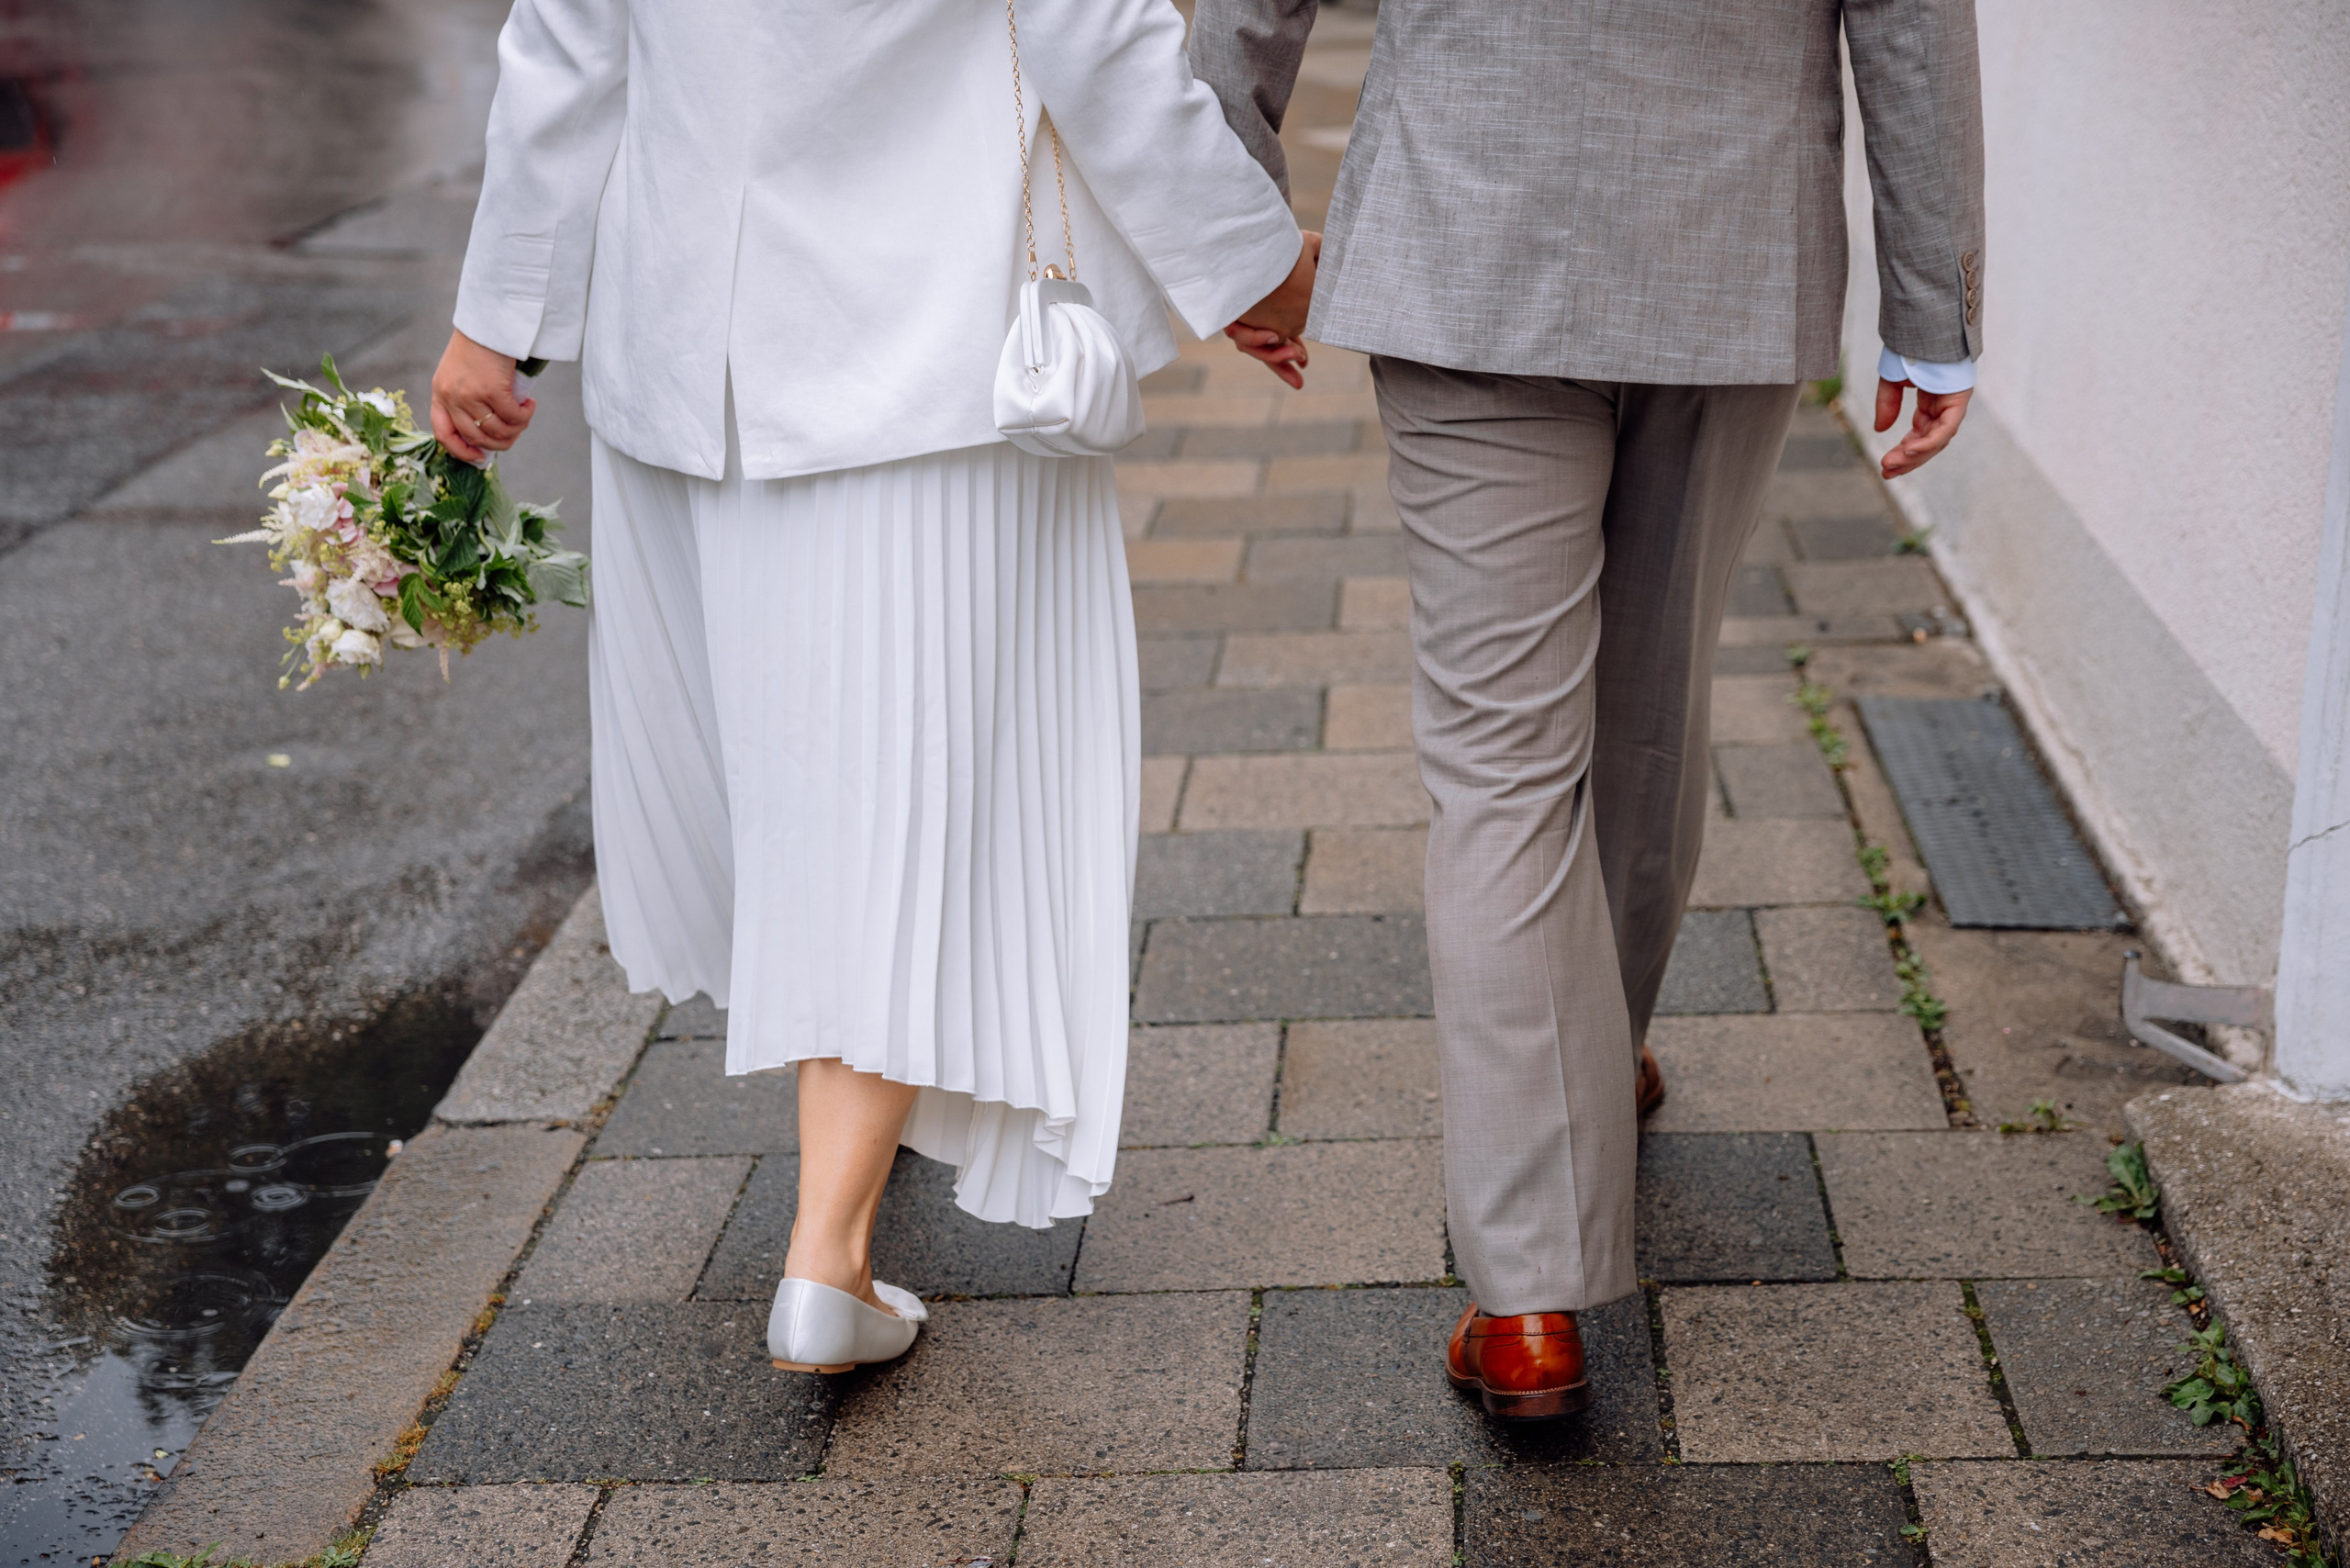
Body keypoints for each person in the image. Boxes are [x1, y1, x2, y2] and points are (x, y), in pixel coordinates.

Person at [432, 0, 1315, 1372]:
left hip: (692, 355)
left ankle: (848, 1177)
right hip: (922, 351)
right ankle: (826, 1261)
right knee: (901, 793)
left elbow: (567, 45)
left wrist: (494, 323)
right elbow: (1091, 32)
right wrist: (1250, 266)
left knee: (799, 787)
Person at [1195, 0, 1984, 1418]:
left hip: (1468, 221)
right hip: (1725, 235)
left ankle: (1528, 1301)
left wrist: (1230, 230)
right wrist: (1933, 303)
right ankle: (1594, 1068)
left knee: (1500, 772)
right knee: (1649, 706)